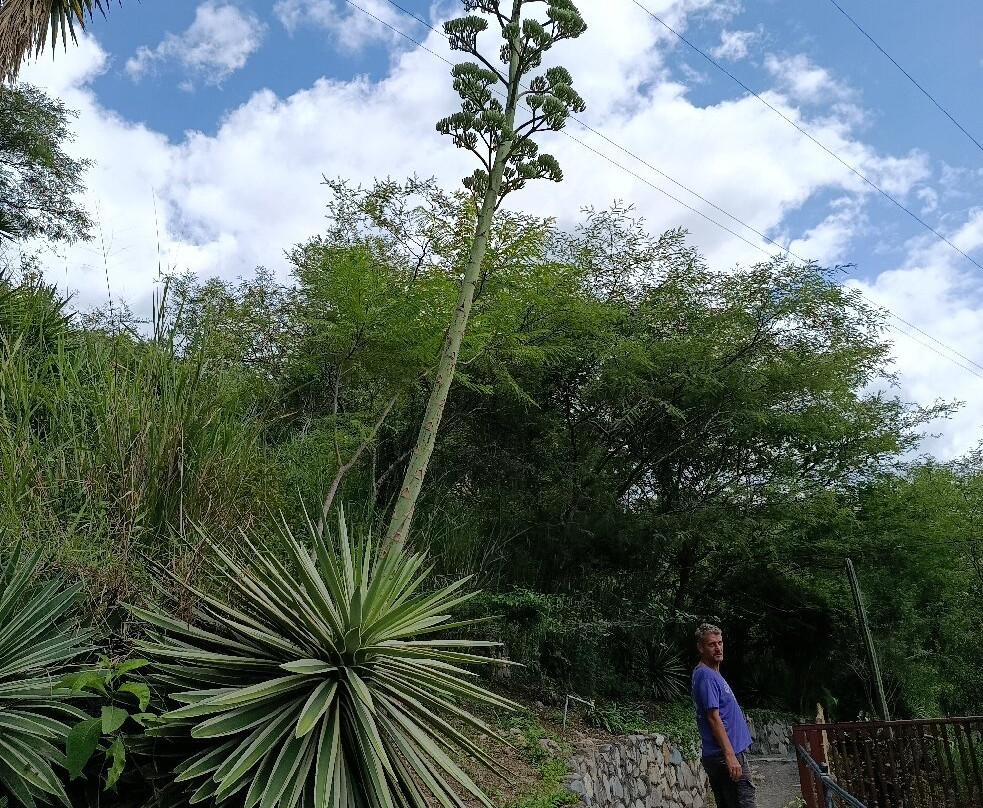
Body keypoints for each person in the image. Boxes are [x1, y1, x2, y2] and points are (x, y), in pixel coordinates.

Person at [691, 622, 756, 808]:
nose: (718, 647)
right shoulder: (706, 676)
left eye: (720, 642)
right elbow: (713, 718)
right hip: (724, 755)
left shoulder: (710, 673)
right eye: (712, 644)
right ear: (701, 648)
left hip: (722, 754)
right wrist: (730, 756)